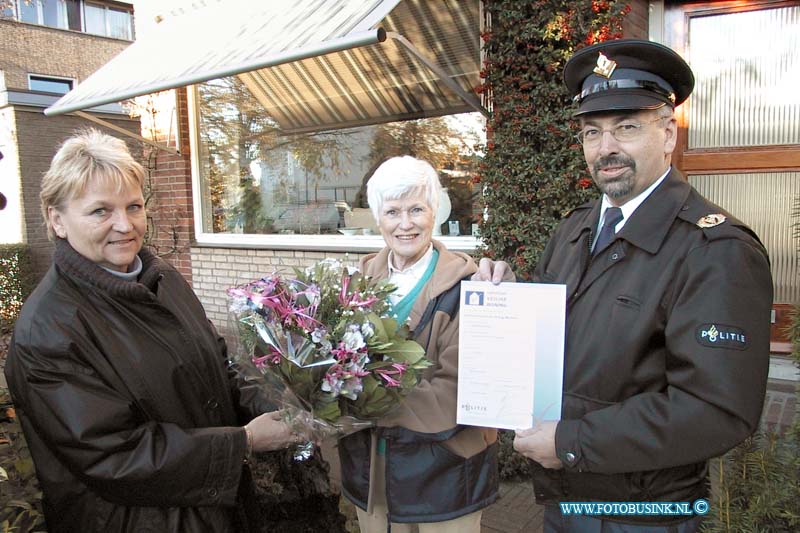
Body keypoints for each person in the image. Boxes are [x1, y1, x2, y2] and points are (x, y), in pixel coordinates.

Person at [475, 39, 773, 532]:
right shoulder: (573, 230)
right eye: (592, 132)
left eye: (627, 127)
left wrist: (572, 441)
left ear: (668, 135)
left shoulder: (715, 250)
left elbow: (716, 409)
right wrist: (509, 298)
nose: (606, 148)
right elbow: (571, 336)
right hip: (565, 500)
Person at [4, 130, 303, 533]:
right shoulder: (48, 331)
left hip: (211, 512)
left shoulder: (162, 280)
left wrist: (282, 401)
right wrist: (243, 443)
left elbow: (216, 367)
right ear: (57, 220)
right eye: (100, 211)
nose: (124, 225)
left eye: (133, 206)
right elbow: (112, 456)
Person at [337, 156, 512, 533]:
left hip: (443, 480)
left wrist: (360, 400)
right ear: (377, 217)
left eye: (417, 209)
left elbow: (458, 390)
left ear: (435, 212)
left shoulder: (470, 287)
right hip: (373, 475)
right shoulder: (354, 283)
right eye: (392, 211)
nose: (405, 224)